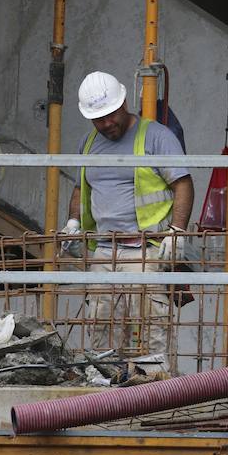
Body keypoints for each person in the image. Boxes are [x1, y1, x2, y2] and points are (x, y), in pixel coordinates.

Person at [63, 71, 194, 369]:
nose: (107, 123)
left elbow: (183, 184)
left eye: (111, 115)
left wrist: (176, 231)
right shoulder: (88, 142)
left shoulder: (157, 137)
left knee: (152, 325)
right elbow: (80, 187)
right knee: (101, 324)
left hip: (145, 250)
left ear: (123, 103)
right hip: (104, 251)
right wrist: (73, 222)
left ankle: (154, 390)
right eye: (99, 119)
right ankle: (108, 389)